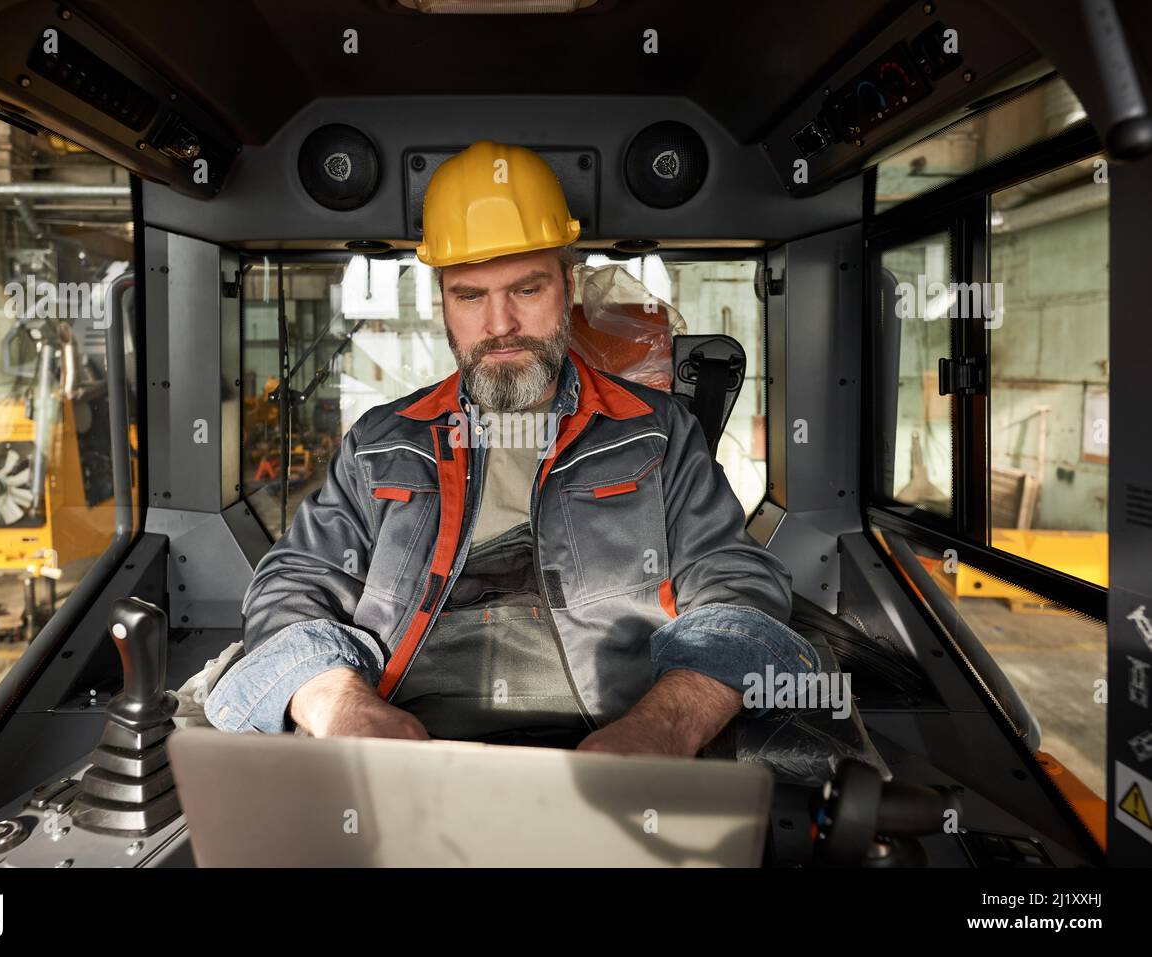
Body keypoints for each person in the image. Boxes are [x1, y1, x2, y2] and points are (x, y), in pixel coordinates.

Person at [206, 140, 820, 756]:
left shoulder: (656, 432)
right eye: (469, 296)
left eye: (526, 290)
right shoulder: (381, 442)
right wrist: (341, 707)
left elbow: (735, 583)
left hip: (612, 742)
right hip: (400, 751)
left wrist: (663, 728)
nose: (498, 325)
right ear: (442, 301)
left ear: (567, 286)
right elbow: (293, 582)